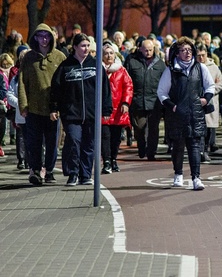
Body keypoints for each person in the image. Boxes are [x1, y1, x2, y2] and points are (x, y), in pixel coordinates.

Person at [50, 34, 112, 186]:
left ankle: (85, 175)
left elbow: (105, 89)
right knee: (73, 141)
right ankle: (73, 173)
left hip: (91, 112)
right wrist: (54, 108)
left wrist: (106, 109)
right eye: (83, 46)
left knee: (88, 144)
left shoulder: (96, 65)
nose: (86, 49)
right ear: (75, 47)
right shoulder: (66, 66)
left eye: (87, 45)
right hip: (71, 113)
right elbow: (56, 89)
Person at [157, 37, 217, 191]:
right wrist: (173, 107)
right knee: (178, 146)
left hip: (195, 113)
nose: (187, 53)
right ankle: (178, 175)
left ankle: (196, 178)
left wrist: (205, 99)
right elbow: (162, 92)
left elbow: (210, 86)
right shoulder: (171, 70)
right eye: (183, 50)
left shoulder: (200, 67)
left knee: (195, 146)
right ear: (177, 53)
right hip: (177, 115)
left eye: (189, 50)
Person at [18, 24, 67, 186]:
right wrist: (23, 105)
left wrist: (61, 106)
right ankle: (36, 170)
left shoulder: (60, 57)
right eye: (41, 36)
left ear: (52, 38)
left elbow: (65, 84)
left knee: (53, 142)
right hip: (33, 109)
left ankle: (50, 170)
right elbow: (22, 82)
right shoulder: (29, 58)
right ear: (35, 38)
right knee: (34, 142)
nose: (44, 39)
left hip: (53, 110)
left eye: (47, 36)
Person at [125, 39, 167, 160]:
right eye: (146, 50)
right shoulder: (132, 62)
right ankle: (141, 146)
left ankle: (151, 152)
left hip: (155, 102)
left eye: (150, 50)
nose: (148, 52)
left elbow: (165, 83)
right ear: (140, 49)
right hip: (138, 101)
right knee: (139, 128)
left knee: (153, 129)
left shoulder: (160, 64)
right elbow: (127, 81)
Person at [102, 42, 132, 173]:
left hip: (118, 109)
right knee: (104, 137)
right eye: (106, 53)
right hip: (103, 110)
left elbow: (128, 87)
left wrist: (126, 103)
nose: (108, 56)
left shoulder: (121, 70)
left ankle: (113, 159)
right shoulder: (98, 70)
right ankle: (107, 161)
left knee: (116, 138)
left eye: (111, 53)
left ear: (115, 55)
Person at [196, 44, 222, 163]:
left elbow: (221, 83)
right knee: (199, 129)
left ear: (207, 54)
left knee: (209, 129)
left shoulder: (214, 67)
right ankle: (201, 151)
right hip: (197, 102)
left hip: (211, 101)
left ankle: (206, 149)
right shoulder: (194, 66)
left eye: (203, 55)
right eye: (198, 56)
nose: (201, 58)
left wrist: (210, 91)